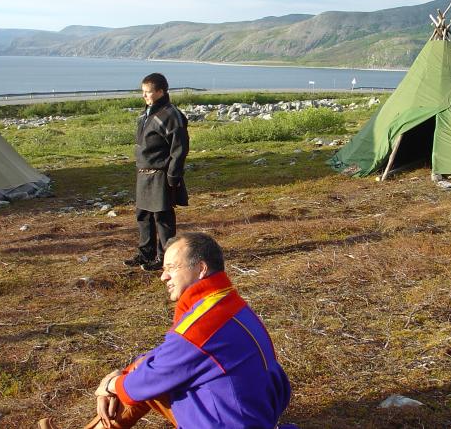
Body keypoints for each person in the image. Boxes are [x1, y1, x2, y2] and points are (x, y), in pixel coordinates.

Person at [38, 232, 293, 429]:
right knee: (140, 375)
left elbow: (154, 376)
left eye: (171, 268)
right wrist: (123, 375)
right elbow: (165, 359)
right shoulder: (226, 302)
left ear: (201, 268)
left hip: (232, 421)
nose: (163, 277)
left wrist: (112, 384)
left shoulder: (203, 324)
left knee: (143, 383)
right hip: (248, 410)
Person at [124, 73, 189, 272]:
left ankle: (165, 258)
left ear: (160, 92)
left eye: (148, 92)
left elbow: (179, 149)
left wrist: (173, 175)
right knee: (143, 216)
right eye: (143, 92)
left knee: (163, 219)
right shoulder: (147, 113)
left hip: (161, 174)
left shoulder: (172, 115)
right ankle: (146, 253)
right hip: (143, 173)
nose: (144, 96)